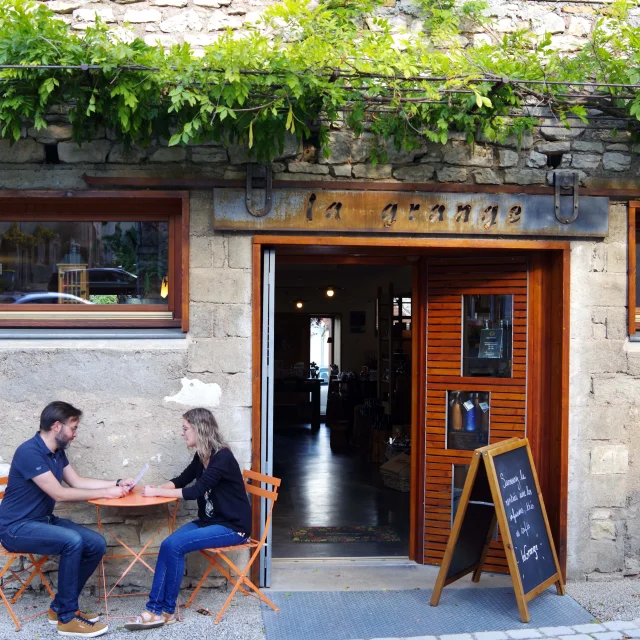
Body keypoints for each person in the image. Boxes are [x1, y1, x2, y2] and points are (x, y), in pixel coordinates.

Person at [0, 401, 134, 638]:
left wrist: (116, 483)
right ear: (56, 426)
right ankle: (67, 618)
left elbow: (77, 482)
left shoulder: (56, 452)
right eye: (73, 428)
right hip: (15, 528)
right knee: (71, 541)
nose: (75, 434)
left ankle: (59, 607)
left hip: (42, 521)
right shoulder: (29, 452)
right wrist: (105, 493)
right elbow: (60, 494)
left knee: (96, 543)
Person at [124, 408, 251, 631]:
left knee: (174, 545)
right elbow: (182, 479)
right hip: (210, 522)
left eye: (185, 428)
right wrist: (156, 488)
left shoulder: (222, 457)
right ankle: (160, 611)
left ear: (199, 429)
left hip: (232, 527)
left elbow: (195, 491)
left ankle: (160, 611)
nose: (182, 433)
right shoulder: (203, 455)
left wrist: (158, 494)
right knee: (168, 544)